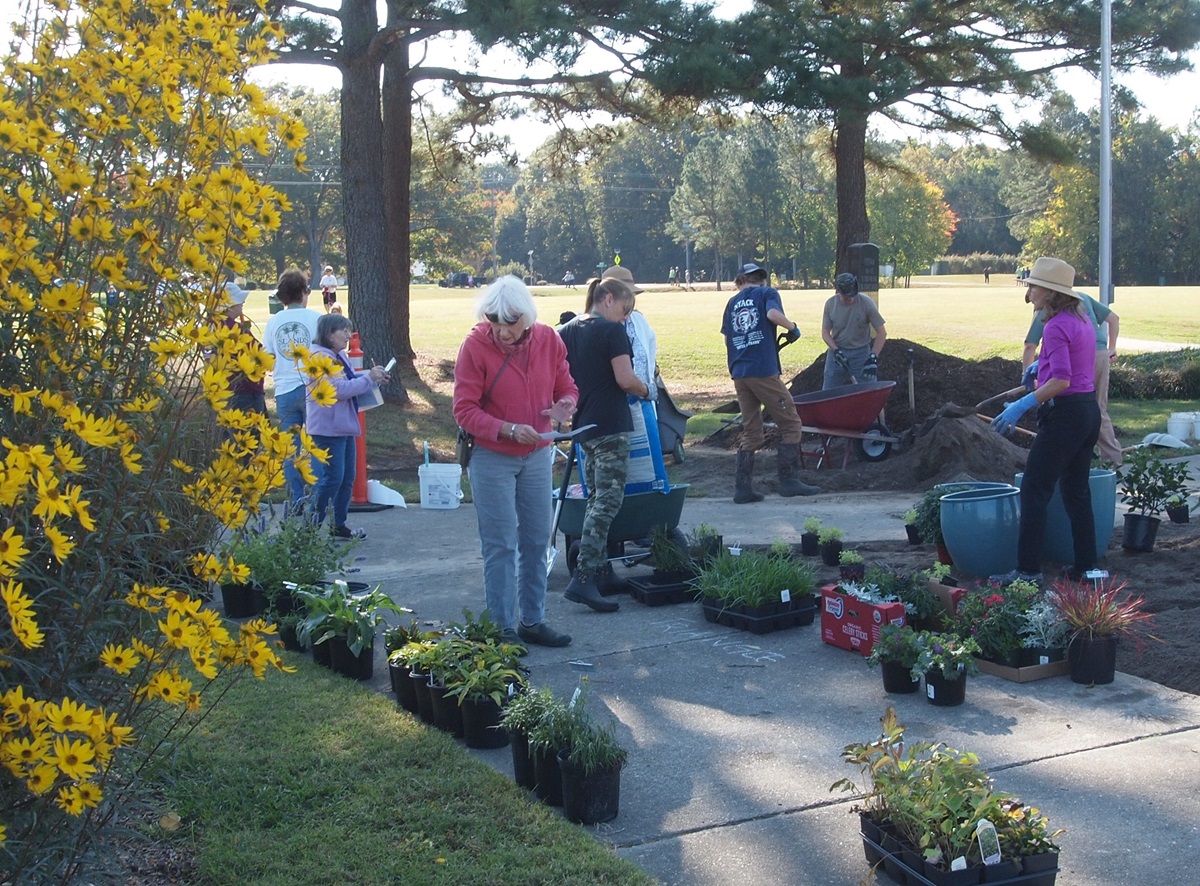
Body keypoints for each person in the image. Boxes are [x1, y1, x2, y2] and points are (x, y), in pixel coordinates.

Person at [453, 276, 578, 648]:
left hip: (537, 453)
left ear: (526, 318)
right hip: (492, 456)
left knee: (538, 538)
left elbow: (567, 386)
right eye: (494, 322)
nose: (501, 331)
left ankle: (532, 620)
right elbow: (464, 411)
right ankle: (502, 627)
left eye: (509, 323)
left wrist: (566, 406)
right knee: (501, 543)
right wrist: (507, 429)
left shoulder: (548, 340)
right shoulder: (475, 345)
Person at [990, 257, 1100, 584]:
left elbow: (1062, 382)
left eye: (1034, 286)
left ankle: (1027, 571)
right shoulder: (1080, 318)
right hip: (1087, 412)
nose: (1030, 291)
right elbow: (1077, 359)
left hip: (1065, 414)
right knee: (1076, 491)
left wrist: (1021, 404)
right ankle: (1087, 568)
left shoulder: (1054, 325)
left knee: (1034, 489)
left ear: (1050, 293)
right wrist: (1042, 365)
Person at [558, 278, 651, 612]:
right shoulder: (612, 332)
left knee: (596, 496)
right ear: (608, 299)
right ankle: (583, 577)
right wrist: (646, 390)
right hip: (611, 424)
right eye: (625, 311)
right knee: (609, 500)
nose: (626, 319)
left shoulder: (568, 330)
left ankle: (602, 570)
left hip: (584, 425)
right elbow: (624, 379)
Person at [720, 263, 819, 503]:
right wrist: (792, 327)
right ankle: (789, 481)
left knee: (752, 431)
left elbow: (727, 338)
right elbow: (772, 315)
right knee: (791, 422)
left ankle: (742, 489)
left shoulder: (732, 303)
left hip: (740, 372)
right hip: (762, 370)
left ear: (740, 280)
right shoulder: (767, 294)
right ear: (761, 280)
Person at [305, 313, 390, 539]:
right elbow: (338, 390)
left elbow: (349, 381)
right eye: (342, 330)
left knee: (346, 479)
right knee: (332, 479)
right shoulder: (318, 359)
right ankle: (309, 527)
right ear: (328, 333)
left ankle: (338, 524)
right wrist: (368, 379)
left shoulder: (336, 356)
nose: (347, 335)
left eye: (348, 330)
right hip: (327, 429)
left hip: (343, 426)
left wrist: (373, 377)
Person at [1022, 288, 1122, 466]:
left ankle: (1077, 455)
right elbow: (1113, 318)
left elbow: (1030, 346)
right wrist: (1112, 347)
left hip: (1078, 358)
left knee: (1073, 406)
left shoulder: (1048, 309)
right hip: (1099, 354)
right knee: (1097, 408)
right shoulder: (1081, 298)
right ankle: (1113, 461)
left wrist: (1028, 376)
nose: (1033, 302)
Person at [264, 267, 321, 509]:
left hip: (284, 389)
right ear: (303, 292)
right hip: (312, 387)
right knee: (318, 445)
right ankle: (319, 497)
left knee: (290, 448)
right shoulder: (316, 318)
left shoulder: (274, 322)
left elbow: (269, 355)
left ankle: (296, 497)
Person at [599, 265, 657, 400]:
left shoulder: (639, 320)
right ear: (609, 299)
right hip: (612, 403)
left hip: (643, 400)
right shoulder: (592, 324)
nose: (630, 303)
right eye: (626, 298)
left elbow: (650, 357)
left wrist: (648, 388)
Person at [821, 272, 887, 389]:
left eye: (853, 294)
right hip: (837, 353)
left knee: (869, 390)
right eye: (847, 296)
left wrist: (873, 357)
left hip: (861, 353)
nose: (850, 298)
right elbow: (825, 333)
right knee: (828, 391)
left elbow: (882, 332)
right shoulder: (830, 304)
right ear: (839, 291)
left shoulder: (866, 303)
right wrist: (836, 351)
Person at [221, 281, 267, 416]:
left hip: (220, 389)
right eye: (239, 301)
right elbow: (258, 351)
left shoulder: (209, 327)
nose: (242, 304)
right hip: (245, 389)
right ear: (229, 306)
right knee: (249, 433)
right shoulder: (235, 330)